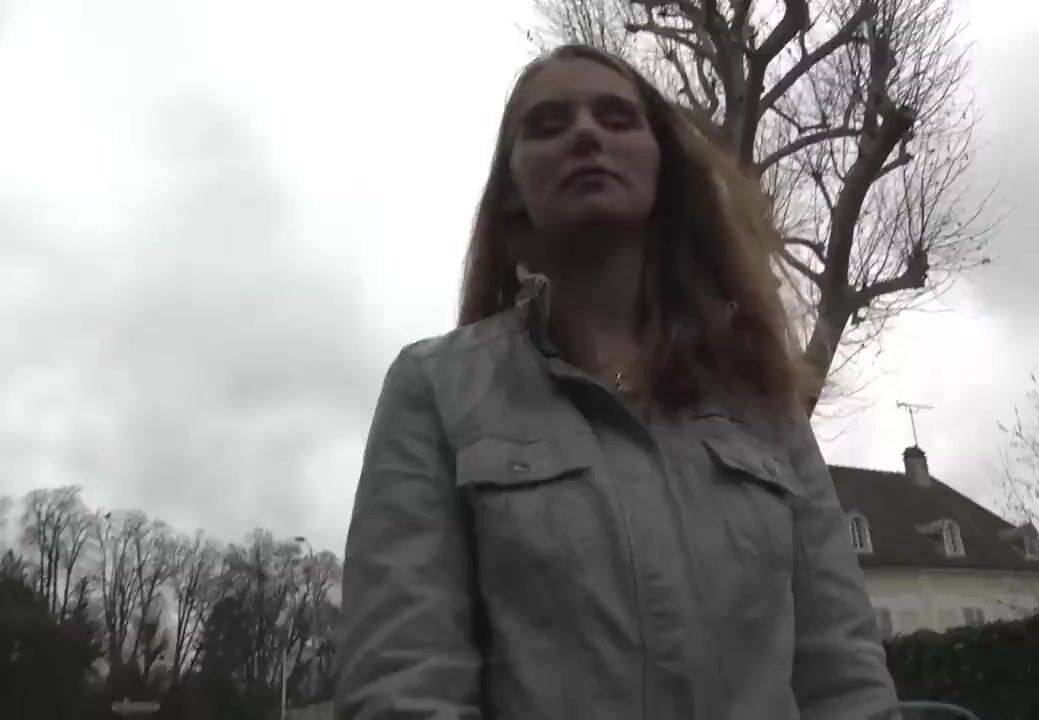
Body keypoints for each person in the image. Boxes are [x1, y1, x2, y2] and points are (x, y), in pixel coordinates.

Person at [335, 44, 901, 720]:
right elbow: (403, 684)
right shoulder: (436, 389)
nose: (585, 134)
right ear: (511, 191)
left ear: (663, 169)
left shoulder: (760, 399)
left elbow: (843, 672)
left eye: (616, 118)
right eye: (548, 125)